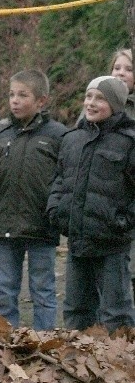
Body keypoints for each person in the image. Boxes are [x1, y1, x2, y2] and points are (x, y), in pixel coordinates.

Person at [0, 70, 66, 331]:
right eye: (12, 94)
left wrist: (57, 210)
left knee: (43, 290)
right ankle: (6, 341)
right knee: (5, 290)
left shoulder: (57, 136)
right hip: (5, 225)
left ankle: (44, 341)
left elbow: (65, 176)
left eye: (23, 95)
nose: (15, 100)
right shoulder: (1, 136)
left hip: (41, 225)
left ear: (41, 101)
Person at [47, 76, 135, 332]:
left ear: (116, 104)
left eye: (100, 98)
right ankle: (79, 364)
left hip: (112, 244)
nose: (91, 103)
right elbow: (59, 179)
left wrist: (124, 220)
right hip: (78, 240)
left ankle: (122, 365)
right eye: (88, 96)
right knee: (76, 310)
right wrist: (56, 210)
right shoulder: (72, 139)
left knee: (116, 313)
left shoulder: (129, 142)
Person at [108, 48, 135, 302]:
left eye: (128, 69)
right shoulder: (99, 102)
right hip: (109, 198)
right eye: (117, 68)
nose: (122, 73)